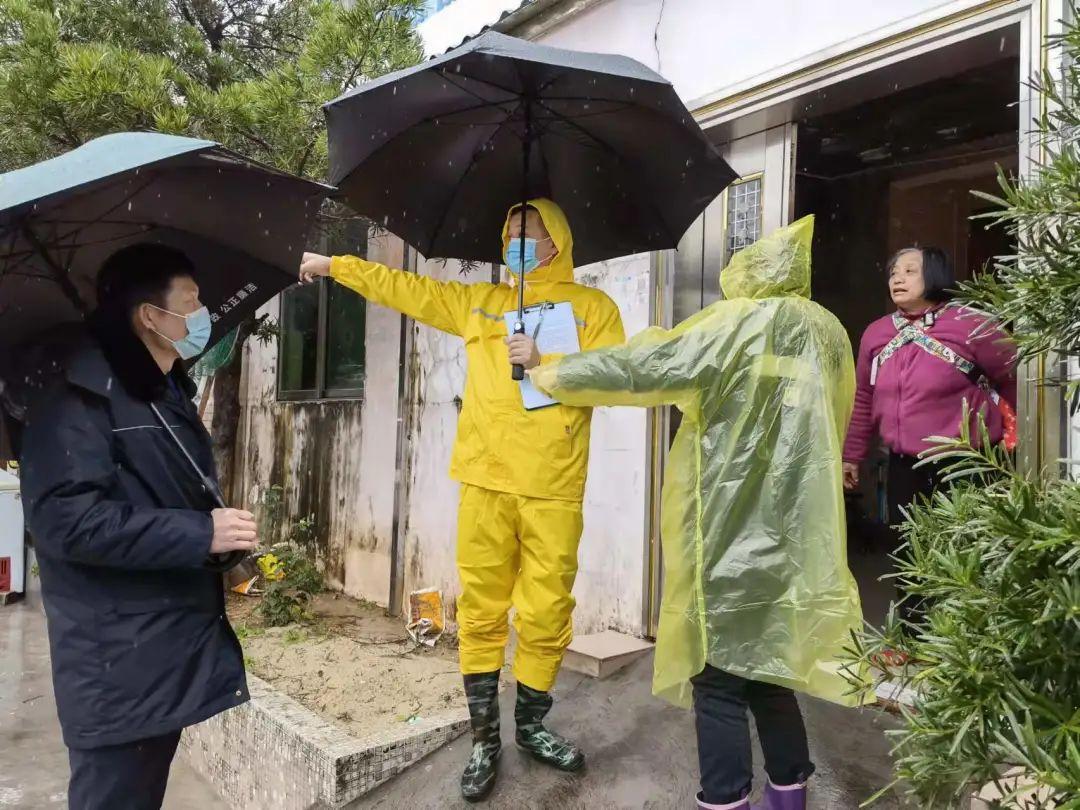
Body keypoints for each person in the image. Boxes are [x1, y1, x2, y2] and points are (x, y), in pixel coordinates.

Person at [530, 216, 862, 810]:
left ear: (751, 273)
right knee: (768, 665)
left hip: (727, 528)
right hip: (793, 530)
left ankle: (726, 798)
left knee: (718, 679)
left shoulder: (735, 323)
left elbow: (645, 367)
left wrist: (552, 370)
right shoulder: (827, 332)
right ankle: (790, 794)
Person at [299, 198, 625, 801]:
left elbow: (615, 379)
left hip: (553, 486)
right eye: (509, 233)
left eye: (527, 233)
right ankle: (484, 739)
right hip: (484, 479)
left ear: (556, 241)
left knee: (547, 610)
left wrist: (548, 363)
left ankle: (531, 727)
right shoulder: (482, 304)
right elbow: (407, 289)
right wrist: (335, 265)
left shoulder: (593, 308)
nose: (514, 244)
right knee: (480, 610)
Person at [18, 244, 256, 810]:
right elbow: (66, 521)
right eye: (190, 303)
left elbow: (155, 494)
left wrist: (215, 540)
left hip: (154, 649)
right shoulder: (77, 397)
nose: (202, 316)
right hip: (116, 662)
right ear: (150, 316)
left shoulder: (155, 388)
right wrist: (200, 534)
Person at [842, 246, 1016, 621]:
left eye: (909, 271)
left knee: (967, 549)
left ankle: (968, 634)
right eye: (893, 272)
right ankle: (915, 637)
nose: (898, 279)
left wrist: (1015, 439)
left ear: (934, 275)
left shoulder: (972, 325)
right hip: (905, 463)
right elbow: (864, 398)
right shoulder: (877, 333)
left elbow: (1016, 377)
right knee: (910, 551)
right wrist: (852, 456)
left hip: (965, 462)